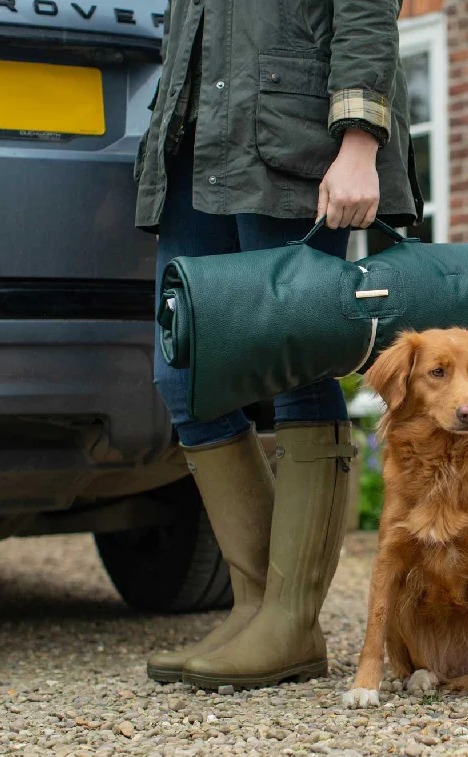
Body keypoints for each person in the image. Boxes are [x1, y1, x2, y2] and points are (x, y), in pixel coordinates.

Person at [133, 0, 422, 690]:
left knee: (297, 362)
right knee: (184, 373)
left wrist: (359, 141)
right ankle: (256, 606)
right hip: (195, 145)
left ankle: (289, 622)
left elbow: (365, 11)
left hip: (290, 137)